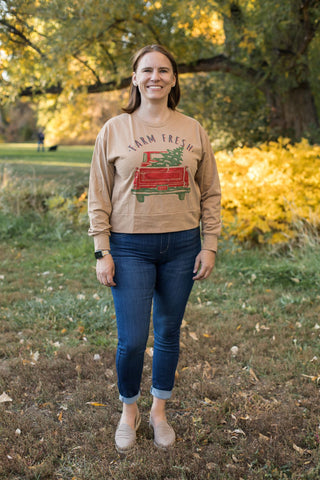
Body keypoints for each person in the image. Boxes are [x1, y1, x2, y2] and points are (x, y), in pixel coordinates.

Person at [88, 44, 221, 453]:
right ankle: (128, 410)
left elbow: (211, 192)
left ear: (174, 79)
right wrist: (102, 249)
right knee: (131, 340)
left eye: (164, 70)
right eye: (147, 70)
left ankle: (158, 411)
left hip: (183, 245)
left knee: (167, 333)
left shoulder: (193, 129)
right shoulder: (114, 129)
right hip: (129, 248)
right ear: (134, 78)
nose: (155, 77)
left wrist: (209, 244)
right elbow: (98, 194)